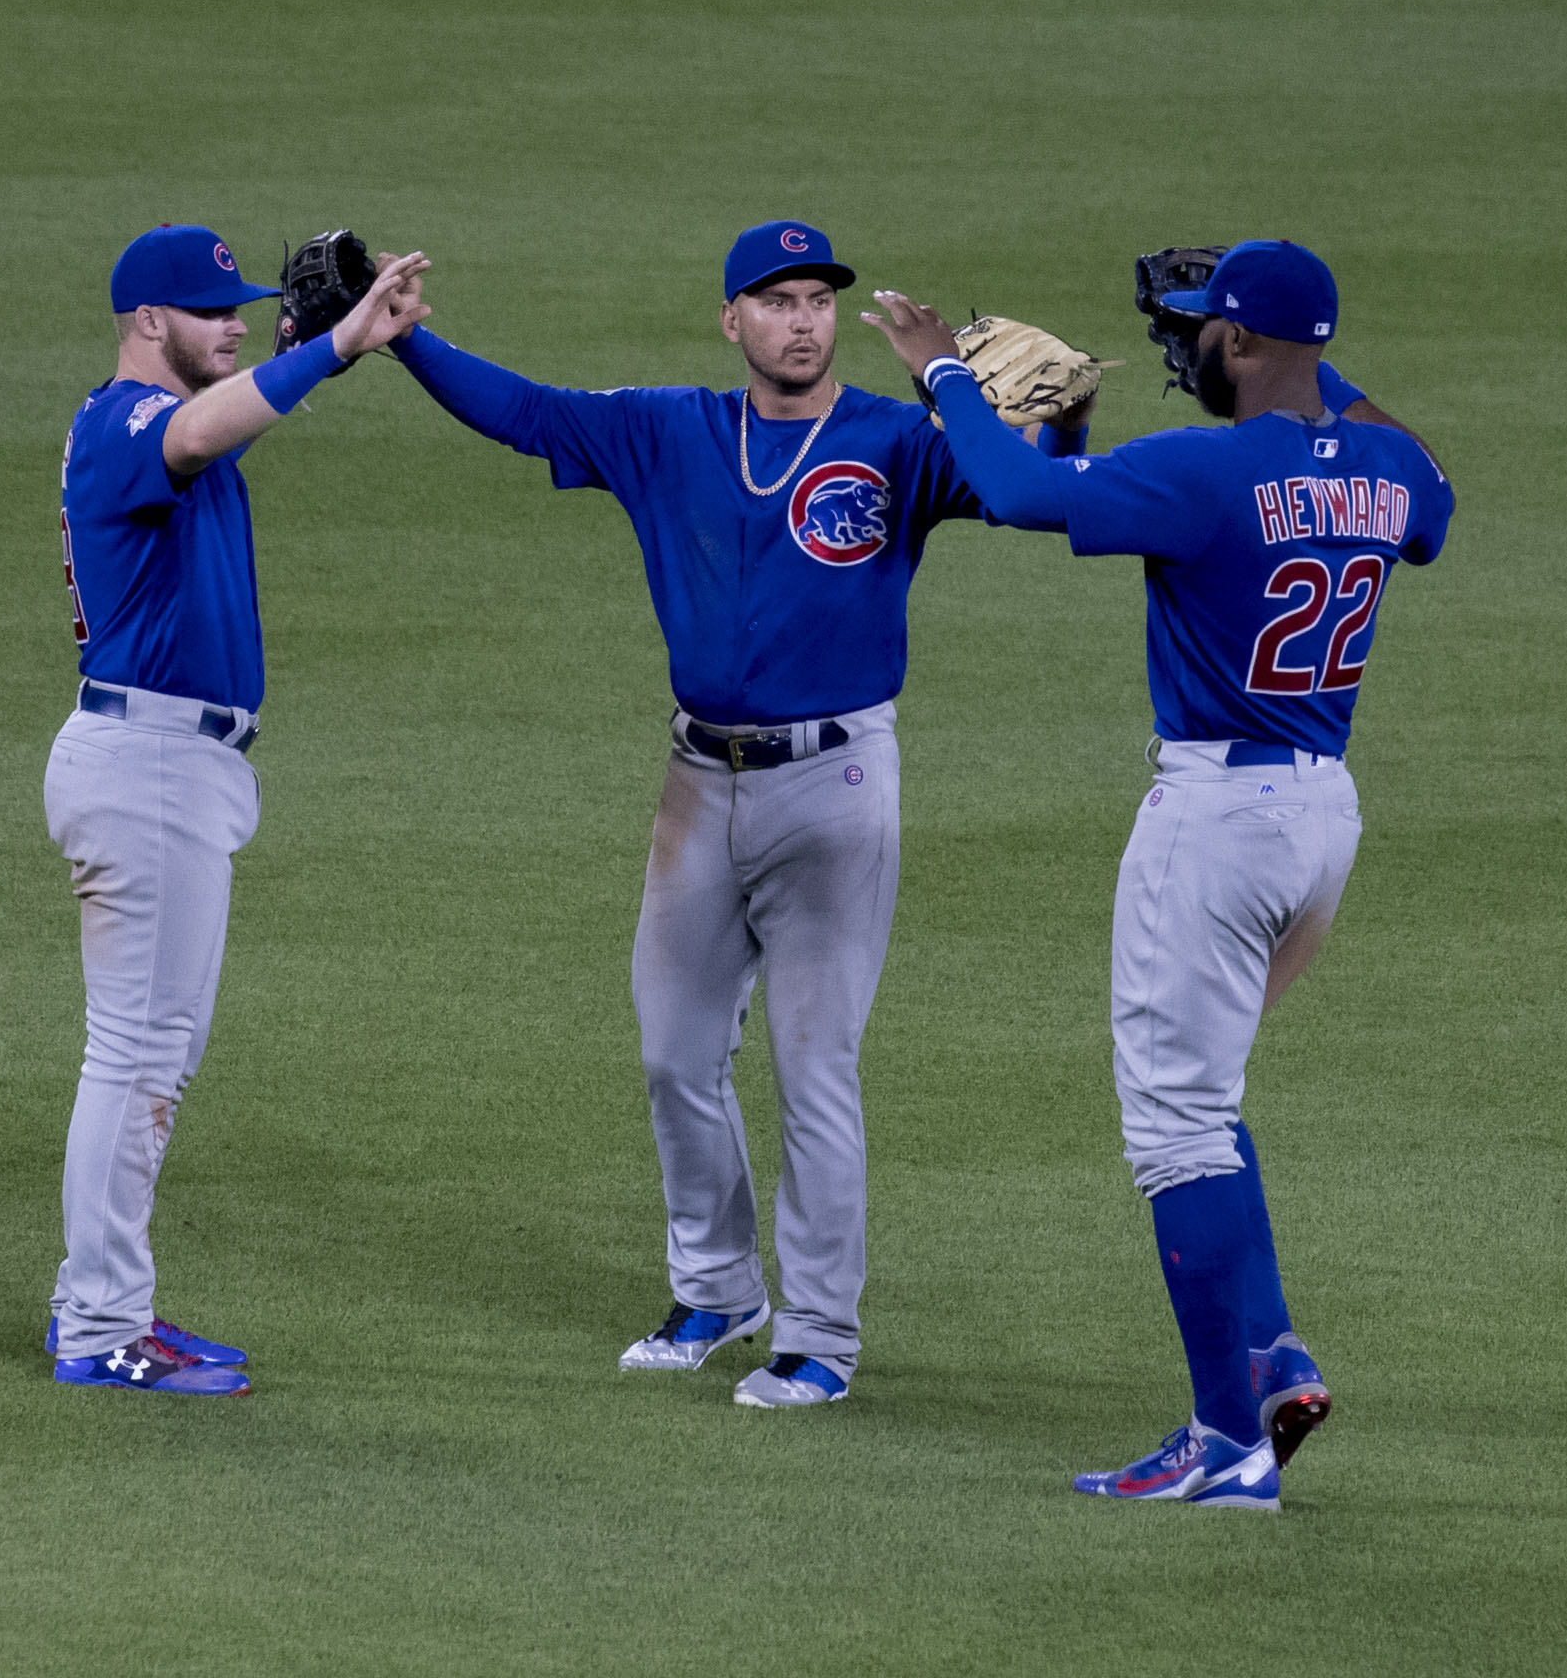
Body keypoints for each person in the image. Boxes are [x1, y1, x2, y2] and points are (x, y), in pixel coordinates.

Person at [380, 222, 1085, 1407]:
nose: (803, 321)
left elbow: (1038, 496)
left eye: (817, 301)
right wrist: (408, 347)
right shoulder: (670, 431)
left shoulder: (893, 441)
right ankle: (716, 1288)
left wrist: (1047, 413)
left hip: (837, 784)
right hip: (696, 782)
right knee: (673, 1053)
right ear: (732, 322)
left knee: (816, 1070)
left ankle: (818, 1337)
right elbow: (531, 413)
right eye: (777, 301)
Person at [864, 239, 1454, 1505]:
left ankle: (1224, 1438)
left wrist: (941, 378)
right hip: (1323, 818)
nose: (1184, 350)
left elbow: (1022, 497)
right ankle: (1271, 1352)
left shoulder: (1200, 470)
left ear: (1240, 344)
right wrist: (1312, 371)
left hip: (1217, 819)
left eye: (1201, 332)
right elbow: (1435, 505)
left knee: (1174, 1125)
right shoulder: (1387, 466)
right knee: (1209, 1098)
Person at [43, 223, 428, 1393]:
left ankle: (106, 1309)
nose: (234, 323)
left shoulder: (163, 429)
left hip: (166, 764)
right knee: (138, 1059)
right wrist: (337, 351)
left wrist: (321, 356)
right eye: (209, 310)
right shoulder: (124, 426)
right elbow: (203, 427)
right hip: (146, 765)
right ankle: (101, 1326)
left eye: (241, 307)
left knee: (155, 1052)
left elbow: (221, 421)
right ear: (146, 322)